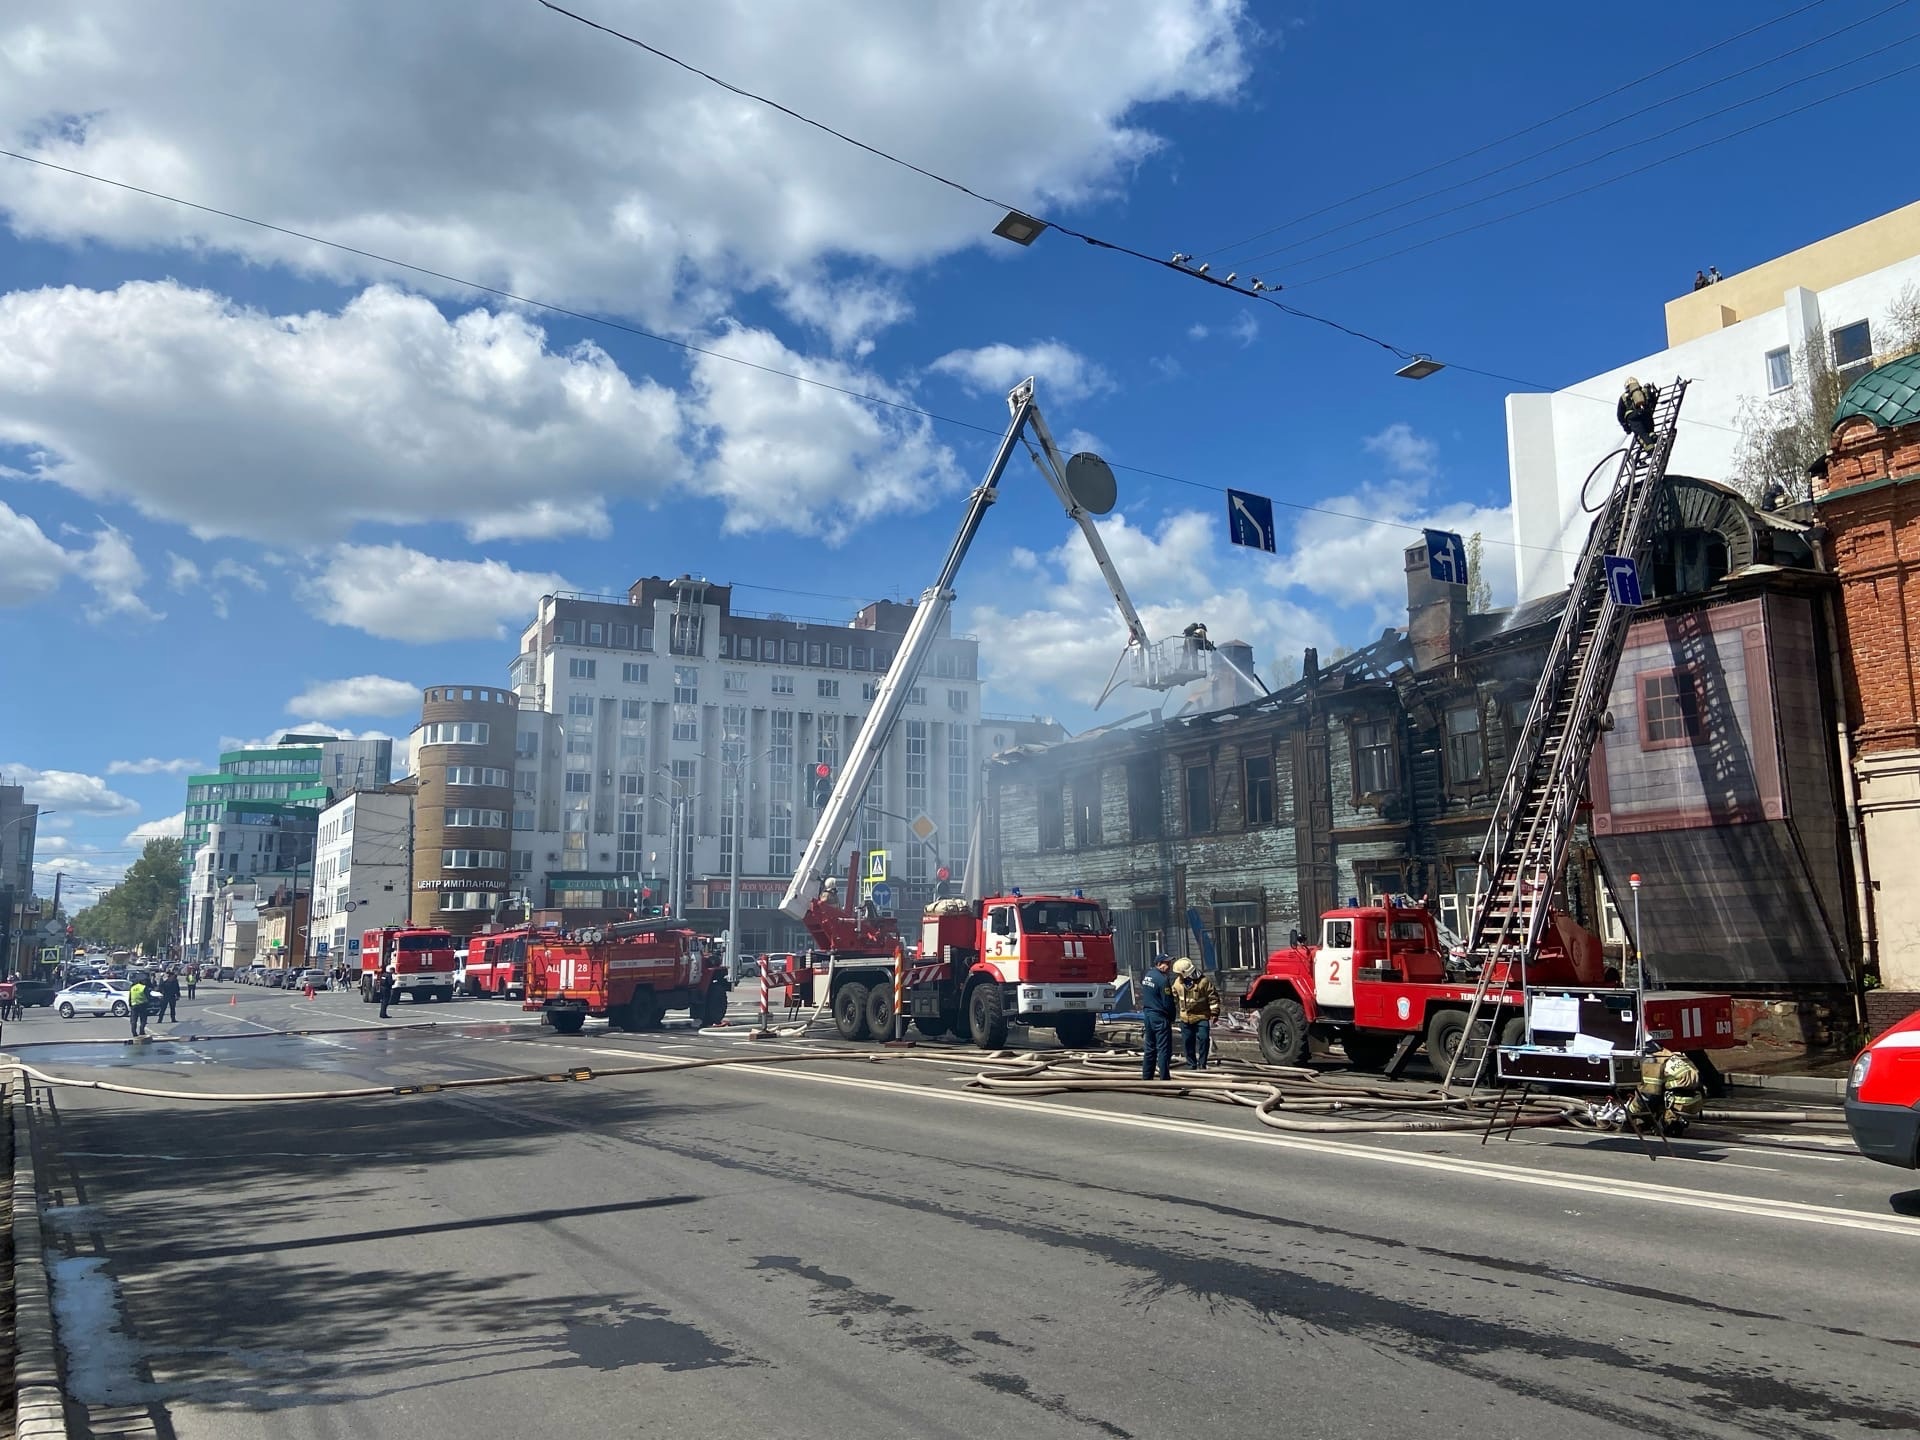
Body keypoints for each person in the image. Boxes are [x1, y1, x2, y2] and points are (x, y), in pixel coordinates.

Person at [1171, 957, 1221, 1072]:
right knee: (1188, 1041)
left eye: (1179, 973)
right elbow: (1173, 998)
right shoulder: (1178, 983)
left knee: (1203, 1039)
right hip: (1185, 1018)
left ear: (1185, 972)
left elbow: (1213, 998)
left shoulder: (1204, 982)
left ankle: (1202, 1064)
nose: (1178, 976)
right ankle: (1191, 1065)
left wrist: (1214, 1013)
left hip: (1201, 1016)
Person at [1138, 954, 1175, 1081]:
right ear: (1158, 964)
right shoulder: (1162, 980)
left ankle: (1147, 1077)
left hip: (1148, 1015)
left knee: (1150, 1047)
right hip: (1160, 1017)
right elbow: (1168, 1002)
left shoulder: (1148, 975)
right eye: (1166, 964)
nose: (1169, 967)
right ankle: (1165, 1079)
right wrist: (1172, 1017)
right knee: (1164, 1049)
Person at [1617, 375, 1658, 446]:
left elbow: (1620, 415)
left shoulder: (1623, 397)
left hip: (1633, 417)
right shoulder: (1643, 390)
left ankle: (1650, 448)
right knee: (1649, 427)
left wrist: (1627, 428)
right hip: (1645, 412)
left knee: (1641, 433)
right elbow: (1651, 400)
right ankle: (1652, 435)